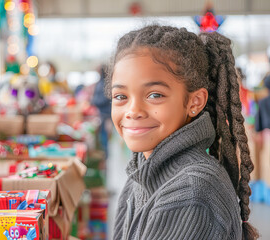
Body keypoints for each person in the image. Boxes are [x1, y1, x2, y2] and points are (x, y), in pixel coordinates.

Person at [107, 25, 258, 239]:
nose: (133, 111)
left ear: (194, 102)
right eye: (121, 96)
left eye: (154, 95)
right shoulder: (140, 174)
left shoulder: (191, 191)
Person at [92, 64, 112, 159]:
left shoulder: (104, 84)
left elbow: (104, 99)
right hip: (103, 113)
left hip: (105, 114)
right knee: (103, 136)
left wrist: (94, 101)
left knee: (105, 136)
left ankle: (106, 155)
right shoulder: (102, 82)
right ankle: (105, 154)